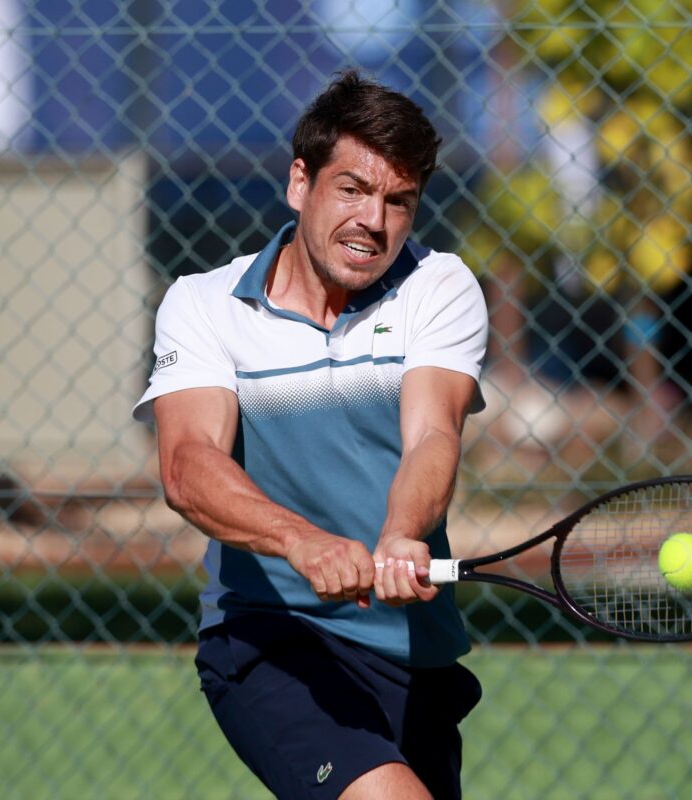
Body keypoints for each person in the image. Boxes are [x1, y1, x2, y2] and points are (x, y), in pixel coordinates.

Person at [133, 70, 488, 799]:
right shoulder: (203, 305)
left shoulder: (439, 287)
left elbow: (432, 434)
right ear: (301, 183)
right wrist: (302, 542)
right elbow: (188, 466)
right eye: (352, 189)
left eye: (399, 201)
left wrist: (402, 533)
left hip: (415, 658)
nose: (374, 222)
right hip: (270, 639)